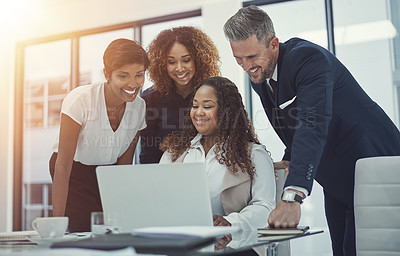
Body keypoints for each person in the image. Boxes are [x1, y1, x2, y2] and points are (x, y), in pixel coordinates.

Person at [223, 5, 400, 256]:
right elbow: (292, 126)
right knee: (340, 248)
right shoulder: (260, 78)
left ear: (274, 44)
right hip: (333, 174)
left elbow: (311, 122)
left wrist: (292, 196)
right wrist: (289, 158)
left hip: (371, 163)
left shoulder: (308, 59)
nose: (245, 66)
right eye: (238, 59)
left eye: (251, 57)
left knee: (362, 250)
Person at [49, 38, 150, 232]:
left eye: (139, 75)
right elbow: (63, 164)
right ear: (107, 74)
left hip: (108, 173)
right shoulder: (81, 100)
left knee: (111, 229)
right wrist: (57, 226)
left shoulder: (140, 106)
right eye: (123, 76)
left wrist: (122, 211)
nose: (133, 83)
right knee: (81, 229)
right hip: (73, 172)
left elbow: (124, 163)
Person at [159, 76, 276, 233]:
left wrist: (230, 223)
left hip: (235, 245)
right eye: (195, 106)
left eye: (207, 106)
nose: (198, 113)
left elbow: (264, 206)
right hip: (183, 242)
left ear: (227, 111)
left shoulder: (254, 155)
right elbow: (158, 198)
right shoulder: (174, 152)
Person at [140, 26, 220, 164]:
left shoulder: (216, 93)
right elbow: (149, 155)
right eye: (171, 62)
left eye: (186, 60)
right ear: (162, 64)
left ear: (198, 60)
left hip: (210, 172)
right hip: (167, 176)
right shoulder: (150, 100)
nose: (179, 68)